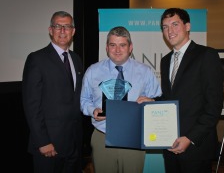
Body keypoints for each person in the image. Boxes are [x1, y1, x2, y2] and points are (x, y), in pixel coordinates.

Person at [80, 26, 162, 173]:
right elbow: (84, 100)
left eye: (122, 45)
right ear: (106, 47)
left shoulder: (145, 71)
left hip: (133, 136)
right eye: (113, 45)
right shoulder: (93, 71)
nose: (117, 50)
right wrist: (93, 110)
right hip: (102, 135)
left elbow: (157, 99)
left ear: (130, 47)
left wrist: (152, 103)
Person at [153, 8, 224, 173]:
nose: (169, 31)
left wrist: (190, 138)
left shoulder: (207, 55)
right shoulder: (165, 61)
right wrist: (153, 102)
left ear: (188, 26)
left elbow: (214, 106)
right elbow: (171, 99)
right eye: (165, 27)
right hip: (170, 144)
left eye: (175, 24)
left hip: (196, 147)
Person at [22, 11, 84, 173]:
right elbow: (31, 105)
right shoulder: (36, 59)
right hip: (49, 146)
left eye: (67, 26)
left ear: (73, 31)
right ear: (50, 30)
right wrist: (42, 142)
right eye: (58, 26)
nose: (63, 31)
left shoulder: (76, 59)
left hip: (74, 144)